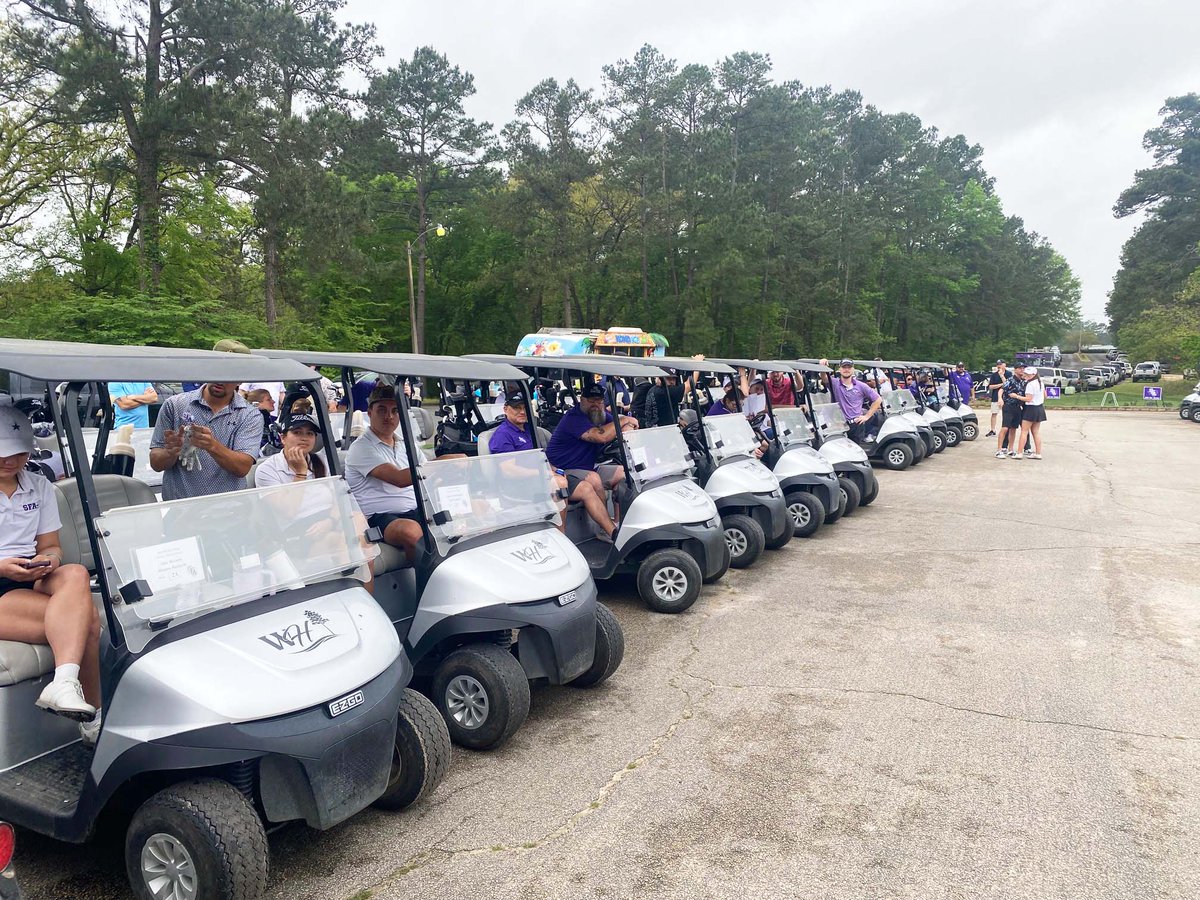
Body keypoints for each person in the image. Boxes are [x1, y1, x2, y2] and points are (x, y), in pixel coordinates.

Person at [0, 401, 101, 743]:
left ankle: (64, 684)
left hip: (29, 576)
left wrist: (50, 561)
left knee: (73, 572)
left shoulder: (37, 485)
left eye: (16, 453)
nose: (8, 461)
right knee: (87, 622)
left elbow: (50, 545)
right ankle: (93, 719)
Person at [489, 393, 616, 539]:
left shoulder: (529, 429)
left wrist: (553, 469)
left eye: (525, 407)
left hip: (539, 478)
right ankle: (560, 537)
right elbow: (509, 471)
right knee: (560, 483)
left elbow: (539, 457)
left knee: (586, 487)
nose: (522, 412)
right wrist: (544, 473)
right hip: (519, 485)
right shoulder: (503, 435)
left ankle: (612, 533)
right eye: (517, 408)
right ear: (505, 409)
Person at [345, 384, 428, 563]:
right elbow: (399, 479)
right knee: (411, 531)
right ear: (369, 412)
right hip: (379, 518)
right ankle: (425, 588)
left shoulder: (407, 444)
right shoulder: (361, 448)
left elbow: (428, 476)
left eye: (395, 410)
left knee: (468, 512)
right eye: (382, 410)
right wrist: (443, 464)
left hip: (415, 509)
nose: (389, 416)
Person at [150, 379, 262, 500]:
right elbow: (155, 463)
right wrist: (170, 452)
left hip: (228, 508)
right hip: (180, 507)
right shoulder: (175, 405)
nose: (220, 381)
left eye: (228, 377)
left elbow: (242, 468)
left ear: (240, 382)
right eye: (215, 373)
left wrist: (212, 446)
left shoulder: (249, 415)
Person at [545, 382, 639, 501]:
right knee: (594, 479)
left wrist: (627, 427)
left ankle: (619, 519)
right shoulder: (573, 418)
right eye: (591, 400)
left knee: (626, 472)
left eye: (599, 401)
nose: (595, 405)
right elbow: (601, 436)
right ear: (582, 400)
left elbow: (621, 426)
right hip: (561, 469)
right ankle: (602, 519)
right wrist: (624, 419)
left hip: (588, 467)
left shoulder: (601, 416)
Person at [820, 358, 883, 443]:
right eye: (844, 367)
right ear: (840, 369)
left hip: (856, 425)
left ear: (853, 369)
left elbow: (878, 399)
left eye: (849, 367)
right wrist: (823, 367)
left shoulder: (861, 386)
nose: (846, 370)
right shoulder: (834, 383)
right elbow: (824, 378)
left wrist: (866, 416)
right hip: (839, 425)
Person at [1015, 366, 1046, 459]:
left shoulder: (1030, 384)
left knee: (1024, 431)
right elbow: (1045, 395)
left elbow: (1028, 399)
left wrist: (1017, 396)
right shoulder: (1040, 383)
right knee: (1035, 431)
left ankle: (1019, 453)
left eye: (1028, 374)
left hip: (1031, 408)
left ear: (1033, 374)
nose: (1026, 375)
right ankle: (1038, 453)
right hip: (1039, 408)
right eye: (1025, 374)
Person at [996, 366, 1026, 459]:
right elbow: (1001, 389)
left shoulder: (1023, 381)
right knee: (1005, 428)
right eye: (1020, 368)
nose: (1022, 370)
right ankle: (999, 450)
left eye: (1023, 368)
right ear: (1015, 369)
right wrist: (1000, 399)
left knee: (1013, 429)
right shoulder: (1010, 380)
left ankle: (1011, 449)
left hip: (1017, 407)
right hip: (1008, 405)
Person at [985, 360, 1008, 436]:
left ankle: (1006, 429)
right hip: (995, 396)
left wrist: (1002, 375)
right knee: (994, 413)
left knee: (1006, 414)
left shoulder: (1009, 374)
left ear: (1004, 365)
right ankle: (992, 430)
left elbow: (1008, 384)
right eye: (998, 364)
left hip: (1006, 397)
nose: (999, 366)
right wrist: (1001, 384)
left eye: (1000, 364)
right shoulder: (994, 375)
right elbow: (991, 386)